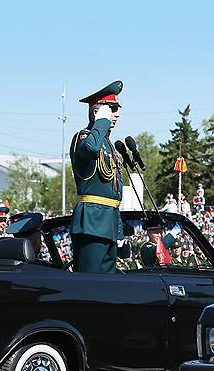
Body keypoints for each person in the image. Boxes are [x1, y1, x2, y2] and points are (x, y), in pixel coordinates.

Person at [70, 81, 125, 274]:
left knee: (107, 286)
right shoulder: (84, 137)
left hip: (108, 220)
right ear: (97, 111)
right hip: (92, 221)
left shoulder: (107, 143)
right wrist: (101, 121)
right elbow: (91, 149)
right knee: (89, 284)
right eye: (112, 109)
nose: (117, 114)